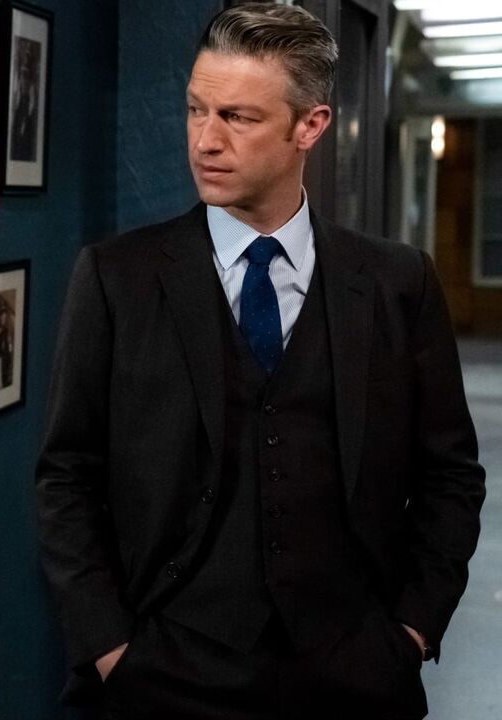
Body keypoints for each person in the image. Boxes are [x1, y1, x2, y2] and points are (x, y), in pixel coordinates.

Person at [35, 4, 486, 719]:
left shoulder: (398, 283)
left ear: (310, 125)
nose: (205, 140)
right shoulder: (117, 277)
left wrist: (413, 627)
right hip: (165, 669)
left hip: (355, 671)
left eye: (238, 118)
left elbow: (450, 475)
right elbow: (67, 475)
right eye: (195, 110)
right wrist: (109, 645)